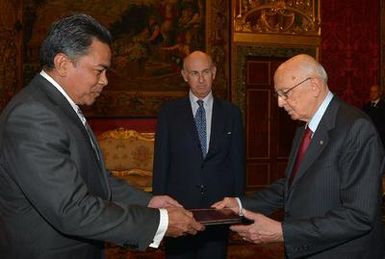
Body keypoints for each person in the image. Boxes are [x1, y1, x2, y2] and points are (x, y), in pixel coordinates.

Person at [0, 13, 204, 259]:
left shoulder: (58, 108)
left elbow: (95, 181)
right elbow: (72, 210)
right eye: (99, 71)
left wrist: (149, 203)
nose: (105, 81)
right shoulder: (33, 116)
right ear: (63, 64)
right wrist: (158, 222)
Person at [213, 54, 385, 258]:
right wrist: (240, 205)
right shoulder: (304, 128)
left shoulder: (356, 129)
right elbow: (291, 185)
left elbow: (359, 216)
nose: (279, 103)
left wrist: (284, 232)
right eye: (278, 94)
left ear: (314, 85)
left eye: (285, 93)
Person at [152, 50, 245, 259]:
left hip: (218, 207)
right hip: (179, 206)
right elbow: (161, 162)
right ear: (185, 76)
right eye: (194, 73)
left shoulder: (231, 113)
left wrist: (239, 206)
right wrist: (161, 206)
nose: (201, 80)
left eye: (205, 72)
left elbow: (237, 163)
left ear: (214, 72)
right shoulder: (169, 113)